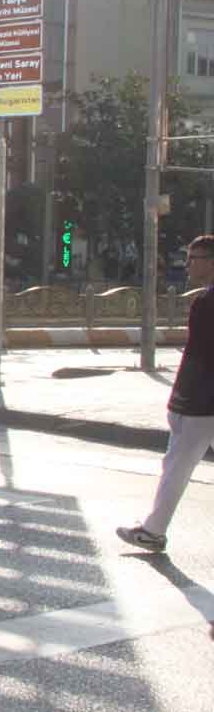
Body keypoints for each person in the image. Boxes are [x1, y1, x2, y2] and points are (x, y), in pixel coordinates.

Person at [116, 236, 214, 552]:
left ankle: (154, 530)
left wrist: (180, 399)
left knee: (176, 467)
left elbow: (199, 356)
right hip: (202, 401)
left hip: (200, 403)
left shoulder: (205, 304)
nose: (188, 265)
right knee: (176, 466)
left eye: (194, 258)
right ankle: (153, 529)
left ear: (211, 262)